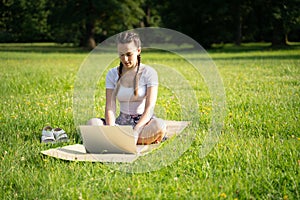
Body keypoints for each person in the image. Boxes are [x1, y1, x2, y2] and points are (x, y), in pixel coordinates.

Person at [87, 31, 166, 145]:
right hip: (122, 124)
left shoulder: (149, 73)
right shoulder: (112, 74)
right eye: (121, 54)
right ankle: (123, 141)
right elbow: (110, 106)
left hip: (143, 124)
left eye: (129, 54)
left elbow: (150, 107)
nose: (125, 59)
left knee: (160, 126)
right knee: (92, 124)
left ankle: (119, 142)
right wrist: (111, 129)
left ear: (138, 51)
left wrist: (136, 130)